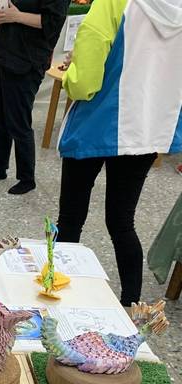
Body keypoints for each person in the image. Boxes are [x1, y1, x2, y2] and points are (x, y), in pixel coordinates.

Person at [57, 0, 182, 306]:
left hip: (95, 122)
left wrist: (73, 73)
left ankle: (55, 293)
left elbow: (84, 81)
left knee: (71, 218)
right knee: (122, 221)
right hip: (146, 130)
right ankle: (132, 305)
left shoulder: (112, 3)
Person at [0, 0, 70, 195]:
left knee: (18, 122)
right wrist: (1, 15)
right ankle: (0, 168)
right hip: (2, 52)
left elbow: (52, 23)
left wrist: (17, 16)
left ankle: (26, 177)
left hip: (27, 61)